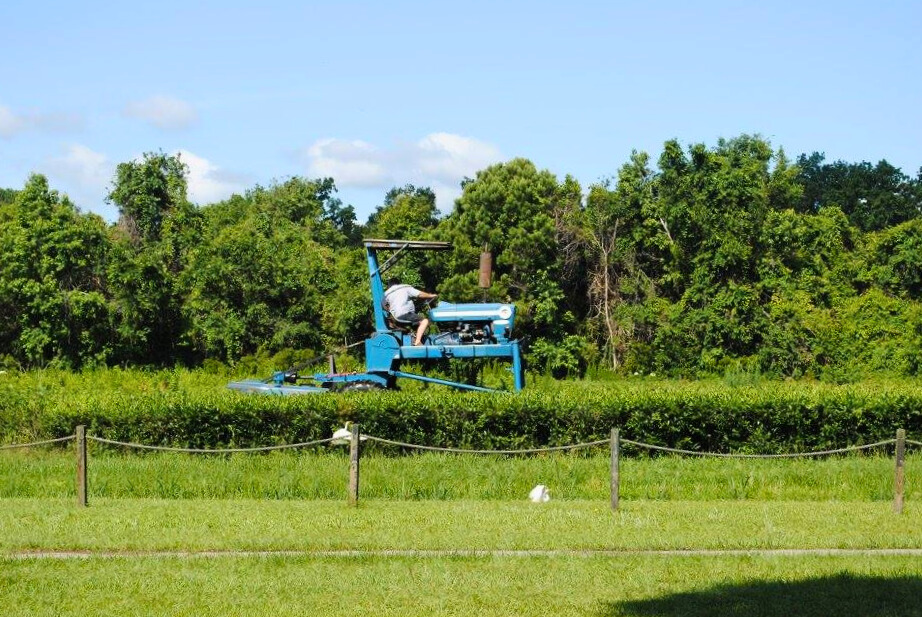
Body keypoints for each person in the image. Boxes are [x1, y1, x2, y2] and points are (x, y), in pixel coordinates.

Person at [384, 277, 438, 346]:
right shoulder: (404, 288)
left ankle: (415, 338)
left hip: (395, 318)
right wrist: (431, 295)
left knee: (417, 325)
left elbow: (385, 306)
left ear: (389, 286)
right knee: (425, 321)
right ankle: (417, 342)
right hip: (404, 314)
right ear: (398, 283)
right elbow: (419, 294)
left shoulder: (386, 294)